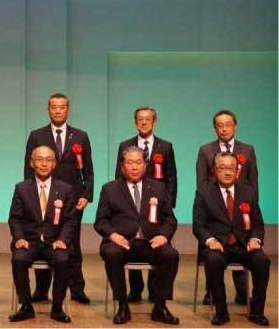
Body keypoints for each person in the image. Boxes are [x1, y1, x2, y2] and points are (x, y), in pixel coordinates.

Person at [94, 146, 180, 325]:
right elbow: (101, 221)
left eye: (138, 162)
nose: (134, 167)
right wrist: (113, 235)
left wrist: (164, 236)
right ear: (122, 166)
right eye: (130, 162)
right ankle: (122, 306)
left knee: (171, 255)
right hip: (122, 242)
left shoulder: (158, 187)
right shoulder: (110, 189)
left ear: (145, 165)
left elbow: (169, 219)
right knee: (112, 254)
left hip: (151, 243)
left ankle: (160, 306)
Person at [23, 93, 93, 304]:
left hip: (73, 200)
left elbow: (88, 170)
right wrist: (31, 198)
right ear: (48, 110)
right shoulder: (37, 136)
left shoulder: (80, 136)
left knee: (72, 244)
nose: (58, 110)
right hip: (44, 199)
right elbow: (28, 171)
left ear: (68, 110)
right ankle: (41, 290)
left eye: (62, 107)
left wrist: (86, 195)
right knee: (43, 240)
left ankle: (77, 289)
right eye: (54, 107)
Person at [193, 152, 270, 326]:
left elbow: (258, 223)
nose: (227, 172)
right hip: (218, 245)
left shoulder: (248, 191)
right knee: (213, 261)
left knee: (262, 261)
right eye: (222, 168)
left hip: (244, 245)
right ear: (214, 171)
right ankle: (221, 312)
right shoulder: (204, 193)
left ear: (237, 171)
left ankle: (257, 312)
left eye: (231, 168)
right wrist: (210, 240)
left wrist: (255, 239)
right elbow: (198, 226)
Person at [114, 106, 177, 303]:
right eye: (140, 119)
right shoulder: (125, 145)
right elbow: (118, 175)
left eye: (147, 119)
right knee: (133, 236)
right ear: (135, 122)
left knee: (157, 243)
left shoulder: (165, 146)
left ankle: (155, 290)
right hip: (132, 202)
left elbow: (171, 177)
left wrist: (168, 203)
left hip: (157, 205)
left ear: (154, 122)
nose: (143, 122)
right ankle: (135, 289)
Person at [8, 145, 77, 323]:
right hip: (29, 241)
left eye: (48, 160)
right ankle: (26, 306)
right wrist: (19, 238)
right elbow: (15, 218)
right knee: (18, 259)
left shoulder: (66, 189)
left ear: (54, 164)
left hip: (54, 241)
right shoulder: (21, 188)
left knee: (63, 259)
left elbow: (70, 220)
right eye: (39, 159)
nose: (44, 164)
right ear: (32, 163)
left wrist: (62, 239)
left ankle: (57, 307)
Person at [196, 109, 258, 305]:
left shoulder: (247, 150)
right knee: (213, 249)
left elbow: (253, 181)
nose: (224, 129)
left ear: (235, 126)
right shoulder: (206, 150)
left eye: (228, 124)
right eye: (219, 125)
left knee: (241, 240)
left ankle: (242, 292)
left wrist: (251, 205)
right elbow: (202, 182)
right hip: (215, 206)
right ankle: (211, 292)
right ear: (215, 128)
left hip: (241, 207)